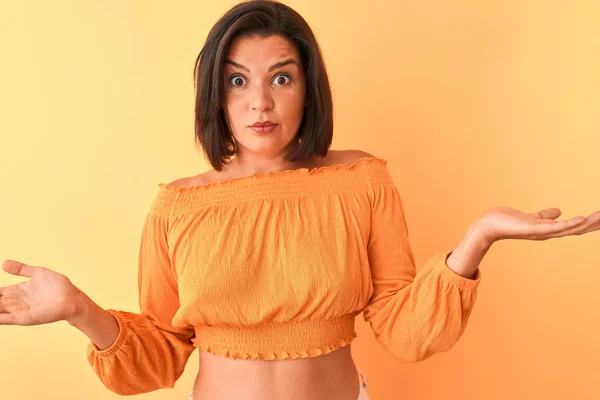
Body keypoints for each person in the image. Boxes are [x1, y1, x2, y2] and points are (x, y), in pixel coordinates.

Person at [2, 1, 598, 399]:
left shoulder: (362, 181)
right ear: (215, 96)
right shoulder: (178, 207)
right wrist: (80, 308)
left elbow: (404, 330)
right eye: (238, 80)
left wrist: (477, 240)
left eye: (281, 77)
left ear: (309, 89)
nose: (260, 101)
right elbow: (159, 356)